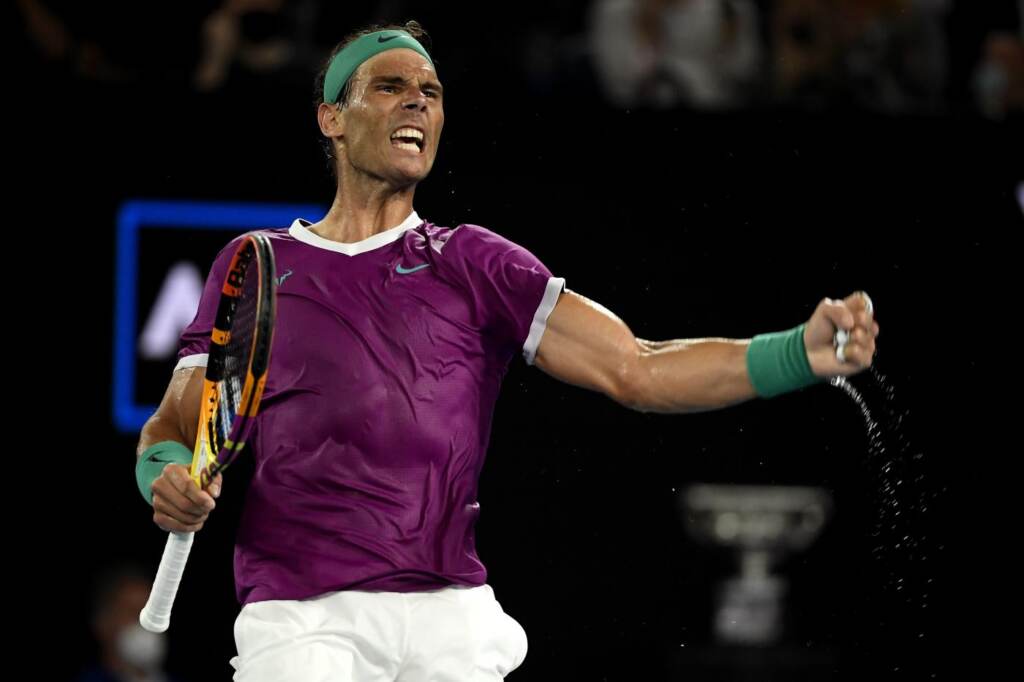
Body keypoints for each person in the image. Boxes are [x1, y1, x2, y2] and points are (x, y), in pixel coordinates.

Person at [134, 20, 880, 682]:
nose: (417, 102)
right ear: (332, 117)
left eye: (430, 92)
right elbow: (173, 427)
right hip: (303, 619)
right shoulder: (258, 266)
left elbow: (637, 367)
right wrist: (164, 476)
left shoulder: (475, 263)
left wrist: (796, 354)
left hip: (449, 617)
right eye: (390, 87)